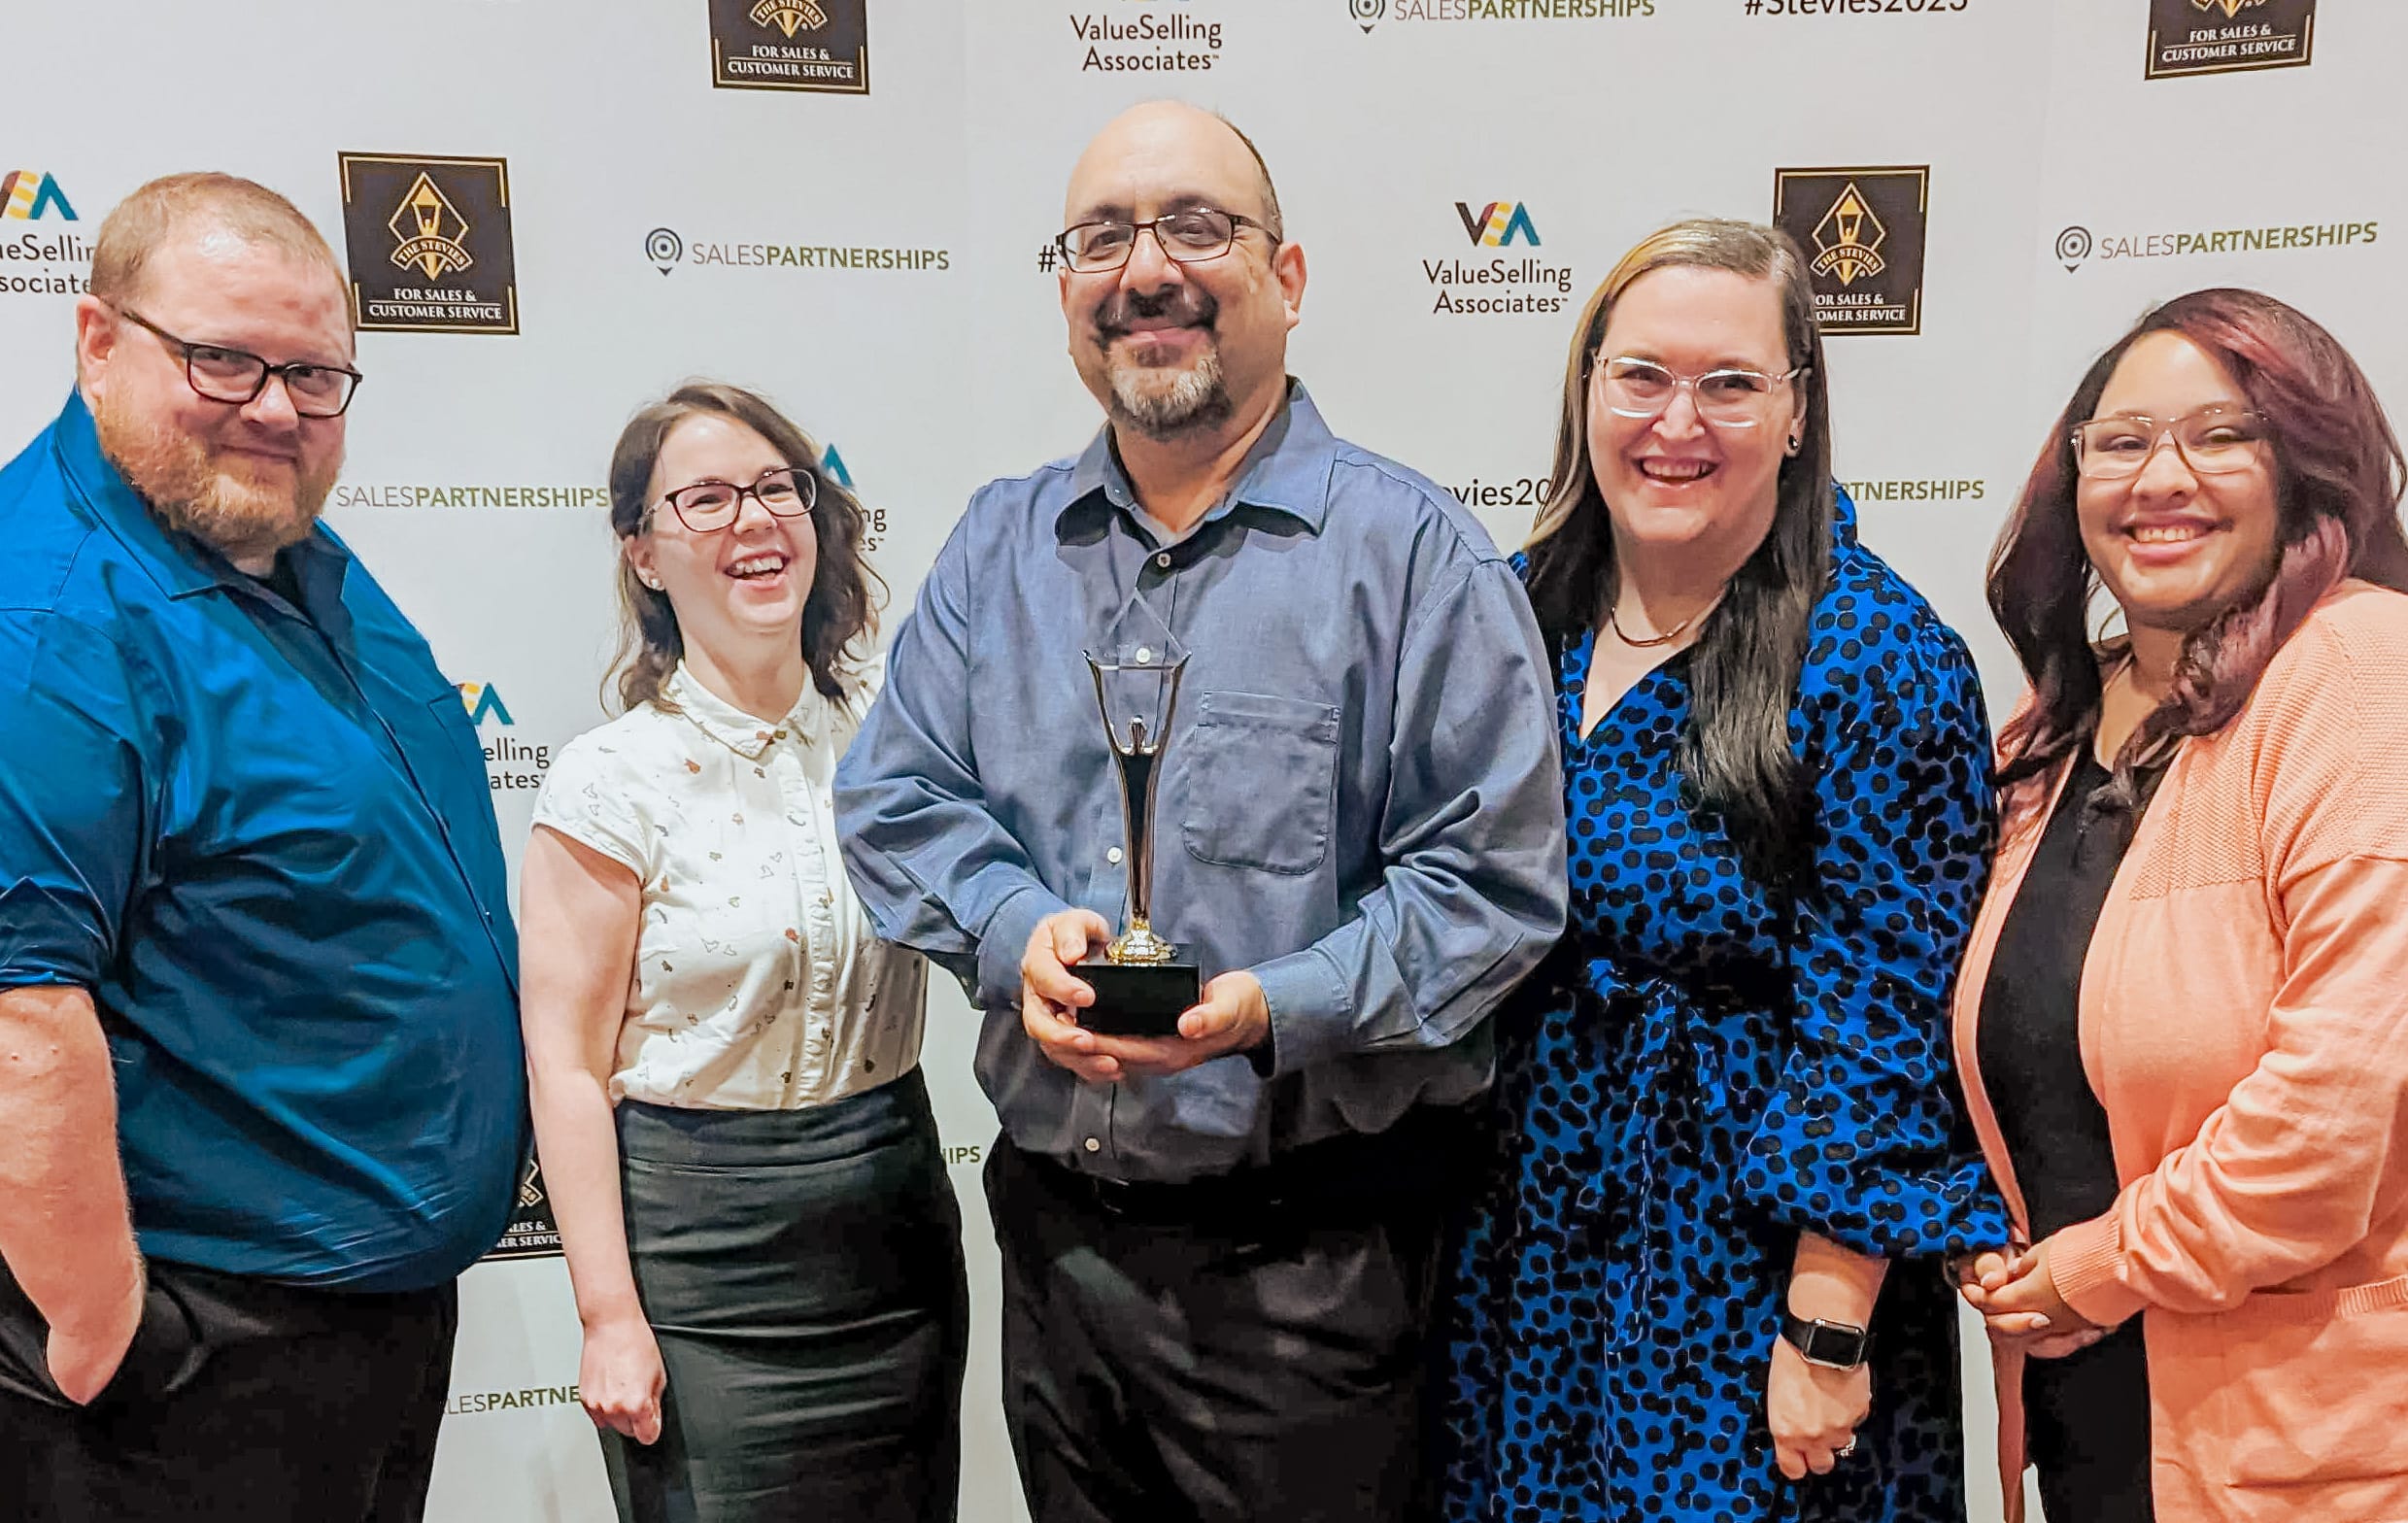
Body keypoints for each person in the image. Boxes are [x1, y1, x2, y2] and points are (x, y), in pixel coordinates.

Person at [833, 101, 1567, 1522]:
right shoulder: (999, 545)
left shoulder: (1412, 557)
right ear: (1064, 294)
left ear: (1285, 280)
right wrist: (1012, 924)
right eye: (1100, 235)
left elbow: (1492, 882)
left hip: (1308, 1275)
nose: (1144, 267)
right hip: (1056, 1257)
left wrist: (1272, 1005)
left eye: (1193, 226)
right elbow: (894, 794)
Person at [1431, 219, 2012, 1523]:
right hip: (1520, 1242)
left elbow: (1884, 1014)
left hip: (1748, 1266)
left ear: (1797, 414)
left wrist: (1825, 1328)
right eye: (1637, 375)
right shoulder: (1515, 612)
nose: (1674, 421)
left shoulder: (1875, 655)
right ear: (1584, 391)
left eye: (1729, 383)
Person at [0, 173, 523, 1520]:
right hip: (194, 1358)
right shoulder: (48, 613)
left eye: (314, 374)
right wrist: (109, 1333)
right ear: (98, 341)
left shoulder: (267, 541)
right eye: (222, 359)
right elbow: (18, 1007)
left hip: (351, 1324)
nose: (278, 408)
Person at [1955, 288, 2408, 1523]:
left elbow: (2321, 1135)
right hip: (2099, 1429)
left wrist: (2096, 1266)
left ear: (2309, 467)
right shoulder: (2047, 735)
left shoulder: (2364, 671)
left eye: (2220, 435)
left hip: (2312, 1448)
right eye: (2121, 440)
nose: (2163, 476)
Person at [521, 382, 967, 1523]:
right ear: (645, 553)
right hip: (700, 1261)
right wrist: (607, 1313)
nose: (754, 521)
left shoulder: (896, 743)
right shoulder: (606, 778)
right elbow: (565, 1067)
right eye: (705, 499)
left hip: (892, 1234)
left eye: (778, 487)